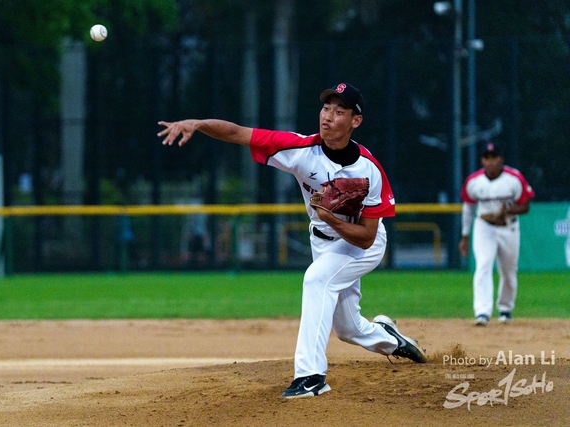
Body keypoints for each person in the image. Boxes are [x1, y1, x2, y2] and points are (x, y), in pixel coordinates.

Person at [157, 82, 427, 399]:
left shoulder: (369, 170)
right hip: (324, 243)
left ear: (355, 121)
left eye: (339, 111)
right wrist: (199, 125)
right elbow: (238, 133)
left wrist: (330, 217)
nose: (328, 116)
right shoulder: (300, 150)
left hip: (362, 244)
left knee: (316, 280)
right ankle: (392, 338)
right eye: (326, 108)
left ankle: (310, 376)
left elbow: (367, 238)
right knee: (348, 329)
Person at [458, 141, 535, 327]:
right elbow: (468, 209)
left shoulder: (513, 178)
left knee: (508, 271)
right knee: (483, 265)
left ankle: (505, 308)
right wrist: (465, 235)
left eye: (494, 157)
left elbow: (525, 206)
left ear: (501, 159)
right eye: (487, 158)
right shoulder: (474, 181)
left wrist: (507, 211)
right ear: (482, 160)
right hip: (485, 226)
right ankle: (482, 312)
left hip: (508, 227)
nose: (490, 161)